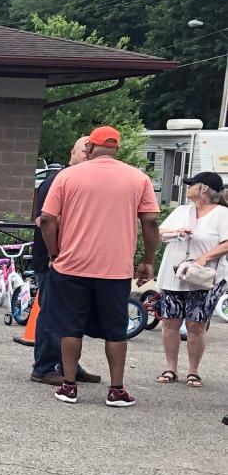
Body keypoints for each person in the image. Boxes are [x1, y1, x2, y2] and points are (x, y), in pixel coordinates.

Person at [39, 125, 160, 408]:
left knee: (69, 327)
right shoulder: (137, 178)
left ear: (90, 148)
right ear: (116, 148)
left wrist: (54, 253)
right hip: (115, 269)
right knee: (116, 329)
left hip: (71, 266)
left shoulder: (67, 176)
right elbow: (151, 222)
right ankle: (116, 389)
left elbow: (47, 219)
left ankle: (69, 386)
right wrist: (148, 260)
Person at [30, 137, 99, 386]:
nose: (89, 155)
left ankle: (68, 364)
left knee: (71, 316)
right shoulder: (57, 179)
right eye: (84, 151)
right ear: (72, 152)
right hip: (54, 259)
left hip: (75, 260)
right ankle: (44, 367)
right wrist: (55, 254)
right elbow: (44, 220)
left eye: (93, 151)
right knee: (51, 314)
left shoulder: (83, 181)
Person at [154, 172, 228, 388]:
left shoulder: (222, 214)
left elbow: (226, 243)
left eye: (191, 184)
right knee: (170, 321)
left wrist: (204, 258)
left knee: (196, 324)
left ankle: (193, 371)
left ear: (204, 188)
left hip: (202, 278)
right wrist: (177, 231)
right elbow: (159, 233)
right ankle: (171, 368)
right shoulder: (181, 211)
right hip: (174, 274)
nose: (187, 187)